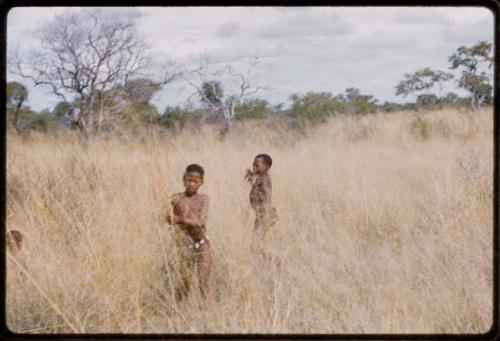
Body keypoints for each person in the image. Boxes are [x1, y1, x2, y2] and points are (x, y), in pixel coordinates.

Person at [167, 164, 211, 300]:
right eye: (188, 180)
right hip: (184, 245)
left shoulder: (204, 199)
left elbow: (201, 222)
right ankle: (180, 314)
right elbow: (168, 218)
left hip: (202, 243)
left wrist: (180, 219)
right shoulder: (176, 198)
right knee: (184, 283)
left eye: (195, 181)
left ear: (201, 182)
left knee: (203, 283)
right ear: (183, 179)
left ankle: (210, 315)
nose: (191, 184)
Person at [246, 154, 278, 263]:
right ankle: (270, 261)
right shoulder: (260, 177)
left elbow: (267, 196)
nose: (254, 167)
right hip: (260, 216)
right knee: (257, 244)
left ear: (266, 167)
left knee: (255, 245)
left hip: (264, 216)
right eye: (253, 164)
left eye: (257, 165)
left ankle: (275, 260)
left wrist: (267, 213)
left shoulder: (264, 180)